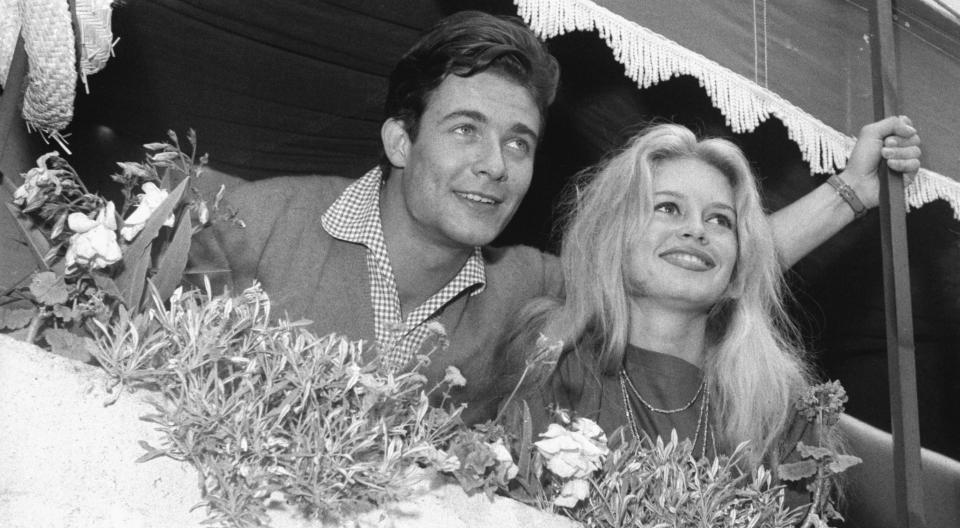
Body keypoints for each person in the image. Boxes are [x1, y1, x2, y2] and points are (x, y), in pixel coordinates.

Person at [188, 10, 922, 424]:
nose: (495, 165)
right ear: (399, 139)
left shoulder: (526, 286)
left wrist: (850, 193)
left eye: (518, 142)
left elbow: (681, 264)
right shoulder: (252, 220)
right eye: (466, 130)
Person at [496, 123, 830, 475]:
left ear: (737, 273)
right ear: (614, 239)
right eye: (668, 208)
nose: (697, 230)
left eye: (720, 220)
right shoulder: (552, 365)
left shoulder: (781, 412)